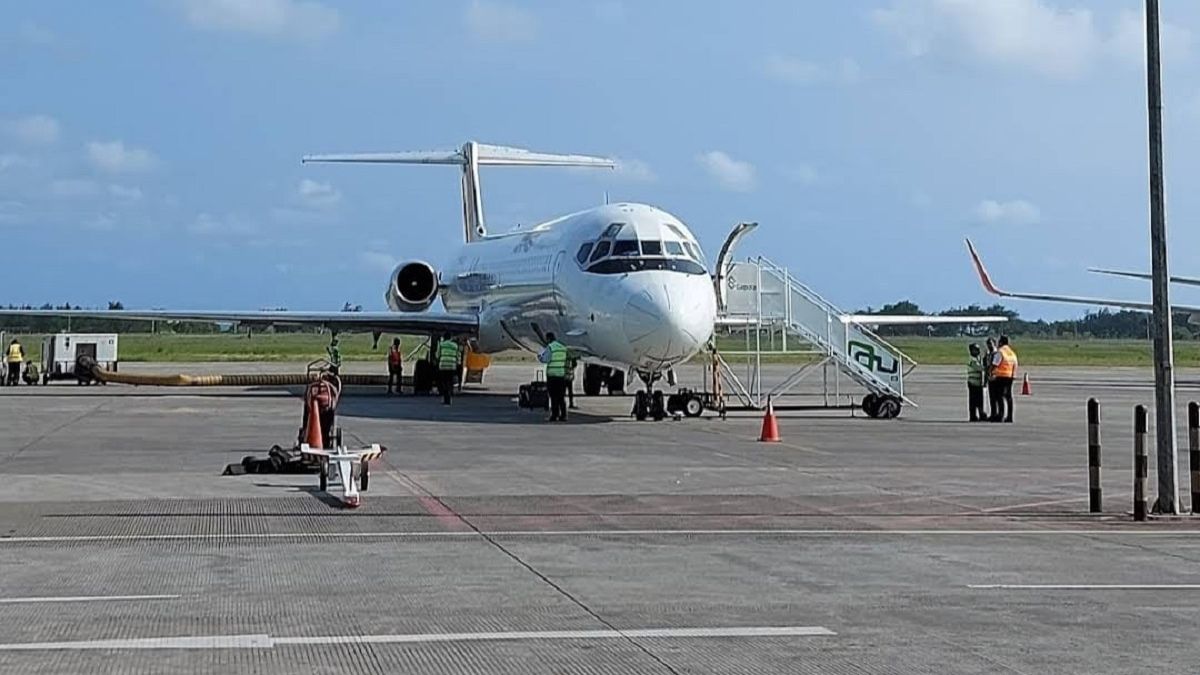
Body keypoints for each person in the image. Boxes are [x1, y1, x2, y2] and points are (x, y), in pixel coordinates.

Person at [539, 332, 569, 422]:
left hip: (552, 376)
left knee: (553, 397)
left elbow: (545, 359)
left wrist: (540, 357)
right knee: (561, 397)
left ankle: (554, 415)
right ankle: (563, 415)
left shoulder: (550, 347)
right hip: (561, 374)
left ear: (548, 339)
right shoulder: (563, 347)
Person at [989, 335, 1018, 423]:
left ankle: (1000, 415)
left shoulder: (1000, 352)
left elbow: (995, 364)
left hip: (1000, 376)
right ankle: (1010, 417)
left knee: (999, 396)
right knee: (1008, 397)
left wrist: (990, 372)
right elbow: (1015, 364)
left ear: (1001, 342)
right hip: (1010, 376)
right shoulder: (1012, 353)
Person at [435, 332, 460, 405]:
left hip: (443, 365)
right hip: (452, 365)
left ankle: (446, 398)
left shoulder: (441, 345)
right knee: (450, 382)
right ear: (450, 338)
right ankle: (449, 397)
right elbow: (458, 356)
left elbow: (437, 355)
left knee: (444, 382)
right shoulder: (455, 345)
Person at [966, 343, 986, 422]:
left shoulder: (977, 358)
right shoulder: (972, 360)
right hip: (973, 383)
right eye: (976, 350)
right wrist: (988, 367)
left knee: (979, 400)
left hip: (978, 382)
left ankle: (981, 414)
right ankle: (973, 416)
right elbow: (979, 368)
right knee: (973, 401)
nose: (978, 351)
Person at [983, 337, 998, 421]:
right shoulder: (988, 354)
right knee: (991, 397)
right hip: (990, 377)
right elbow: (986, 366)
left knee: (996, 397)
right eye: (988, 344)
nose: (989, 346)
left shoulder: (996, 354)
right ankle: (993, 413)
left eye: (990, 344)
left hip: (995, 377)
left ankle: (996, 414)